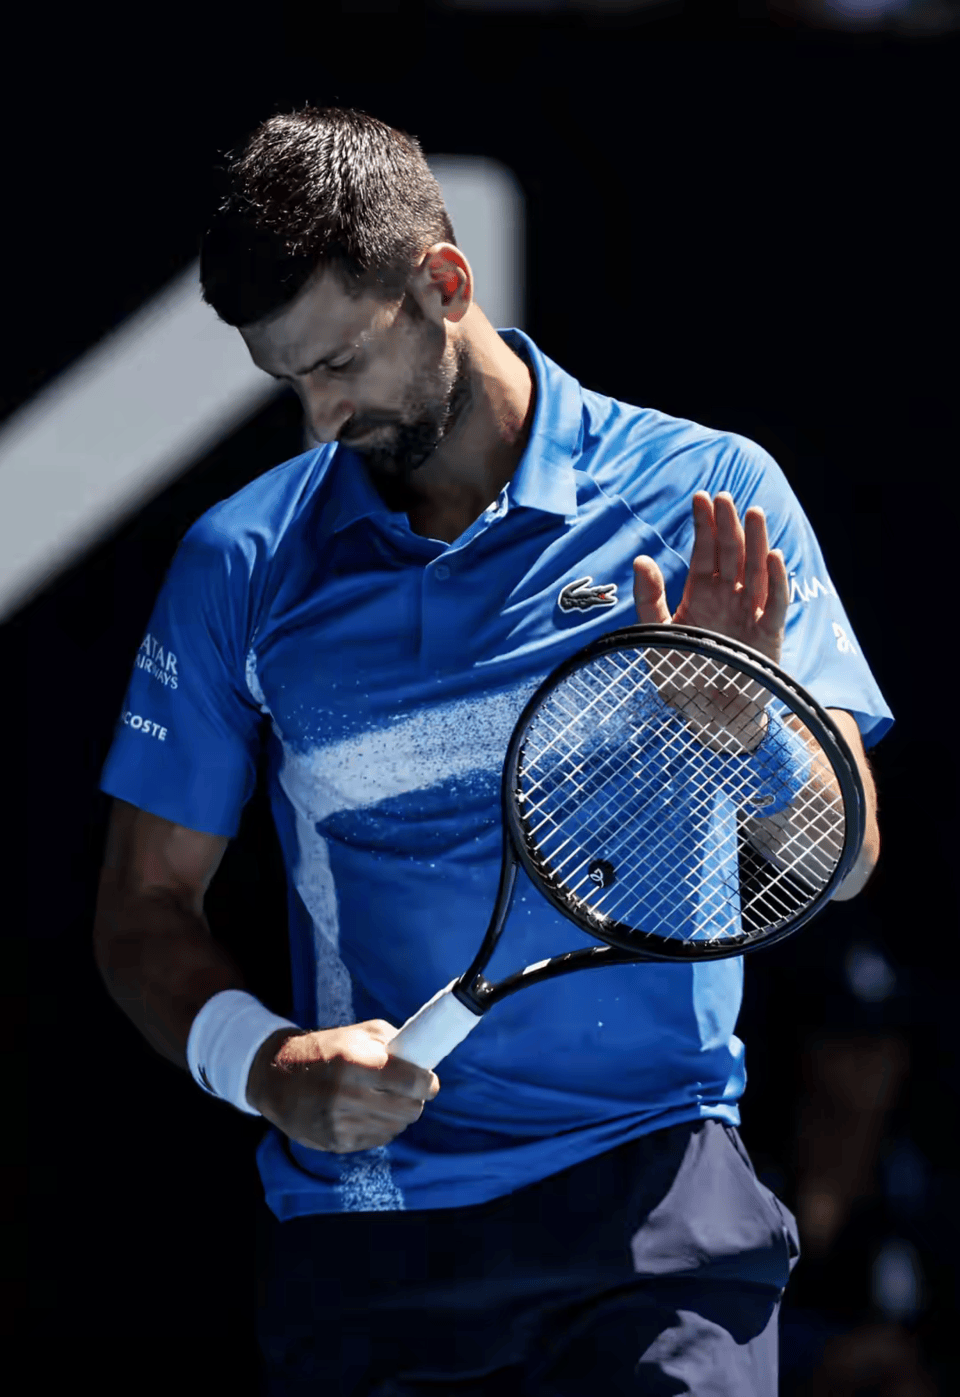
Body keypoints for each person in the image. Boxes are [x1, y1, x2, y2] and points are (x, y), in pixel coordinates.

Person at [92, 105, 891, 1396]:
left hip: (656, 1206)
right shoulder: (239, 561)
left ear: (444, 285)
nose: (321, 414)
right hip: (372, 1230)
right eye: (288, 381)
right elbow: (142, 906)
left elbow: (838, 861)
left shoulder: (708, 496)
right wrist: (266, 1064)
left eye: (340, 362)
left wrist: (750, 734)